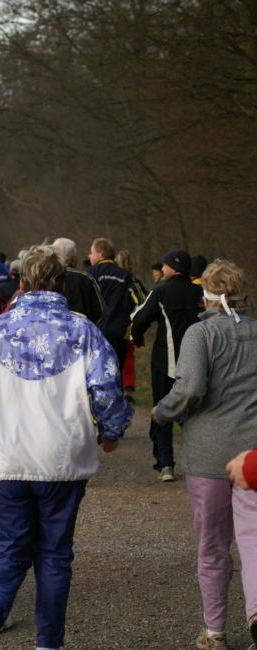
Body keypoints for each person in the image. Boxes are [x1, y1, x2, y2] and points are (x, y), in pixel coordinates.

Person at [0, 245, 132, 650]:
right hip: (61, 460)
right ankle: (48, 642)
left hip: (5, 459)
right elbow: (107, 390)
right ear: (62, 282)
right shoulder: (84, 332)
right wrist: (111, 432)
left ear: (21, 282)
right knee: (54, 554)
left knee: (5, 549)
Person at [152, 259, 257, 650]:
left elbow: (190, 387)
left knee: (213, 546)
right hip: (253, 457)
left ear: (206, 295)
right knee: (255, 541)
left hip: (209, 456)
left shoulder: (200, 334)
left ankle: (214, 631)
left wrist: (161, 411)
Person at [131, 249, 201, 481]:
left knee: (162, 409)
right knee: (194, 411)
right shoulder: (199, 292)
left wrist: (136, 336)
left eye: (166, 265)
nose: (162, 269)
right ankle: (197, 461)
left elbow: (140, 318)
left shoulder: (160, 291)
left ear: (173, 268)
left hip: (166, 362)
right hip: (196, 363)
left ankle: (166, 465)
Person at [87, 237, 133, 371]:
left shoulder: (88, 274)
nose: (89, 255)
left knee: (93, 373)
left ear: (100, 253)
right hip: (118, 334)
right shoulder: (126, 275)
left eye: (92, 252)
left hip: (93, 334)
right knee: (116, 373)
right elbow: (141, 301)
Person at [115, 249, 147, 401]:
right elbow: (143, 300)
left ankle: (117, 386)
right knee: (128, 355)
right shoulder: (134, 280)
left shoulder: (114, 279)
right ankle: (127, 384)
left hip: (113, 322)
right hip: (128, 323)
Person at [52, 237, 105, 325]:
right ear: (73, 258)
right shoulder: (85, 278)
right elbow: (100, 311)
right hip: (82, 332)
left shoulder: (46, 278)